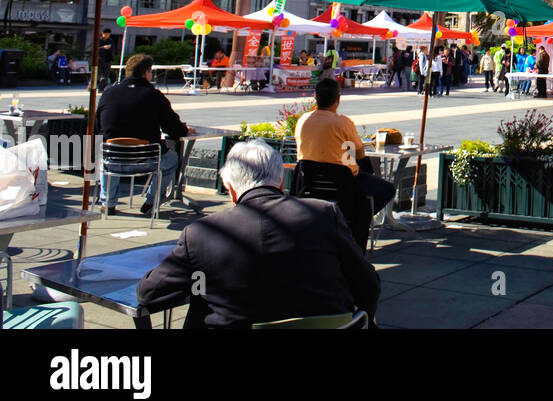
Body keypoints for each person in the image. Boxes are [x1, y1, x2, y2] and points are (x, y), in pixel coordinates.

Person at [137, 139, 380, 328]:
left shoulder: (202, 234)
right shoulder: (325, 214)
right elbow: (368, 284)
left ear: (231, 190)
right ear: (281, 183)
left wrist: (199, 280)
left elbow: (150, 293)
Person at [96, 54, 192, 215]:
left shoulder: (108, 93)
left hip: (112, 159)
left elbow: (98, 126)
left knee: (107, 156)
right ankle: (151, 201)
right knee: (172, 159)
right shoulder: (154, 96)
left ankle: (108, 203)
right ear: (146, 72)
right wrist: (185, 129)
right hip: (145, 161)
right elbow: (175, 129)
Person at [296, 77, 395, 216]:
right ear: (338, 99)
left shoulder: (302, 120)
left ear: (315, 97)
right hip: (342, 183)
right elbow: (360, 154)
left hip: (309, 181)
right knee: (388, 189)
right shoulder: (342, 123)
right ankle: (360, 217)